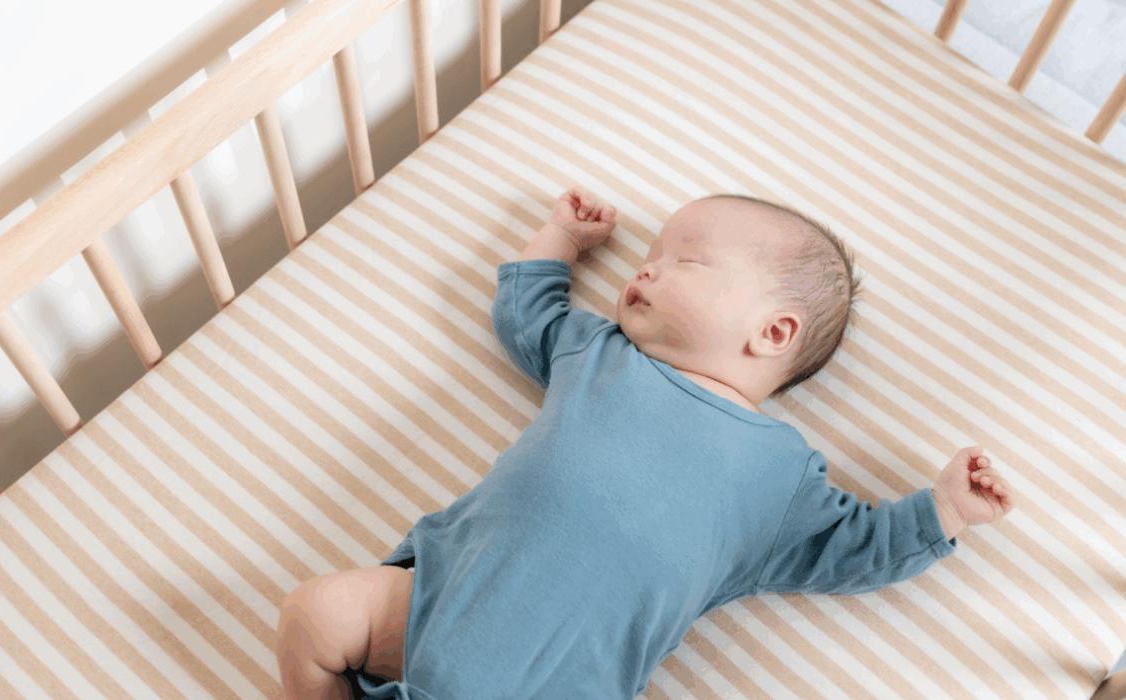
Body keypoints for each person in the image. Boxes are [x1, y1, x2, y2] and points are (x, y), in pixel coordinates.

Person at [277, 186, 1018, 700]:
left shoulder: (781, 474)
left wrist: (945, 509)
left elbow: (856, 548)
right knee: (315, 613)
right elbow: (525, 316)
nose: (646, 267)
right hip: (441, 600)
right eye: (651, 254)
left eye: (685, 262)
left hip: (572, 680)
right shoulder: (599, 353)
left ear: (774, 331)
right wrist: (560, 240)